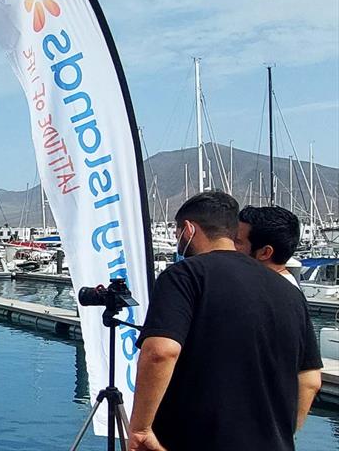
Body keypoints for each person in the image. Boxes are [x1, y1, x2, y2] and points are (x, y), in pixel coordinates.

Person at [128, 192, 322, 451]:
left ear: (188, 229)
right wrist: (281, 434)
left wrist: (141, 429)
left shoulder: (185, 275)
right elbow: (310, 380)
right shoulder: (289, 291)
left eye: (176, 233)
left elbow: (161, 352)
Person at [235, 205, 300, 288]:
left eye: (238, 242)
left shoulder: (270, 294)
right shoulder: (278, 286)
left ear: (265, 253)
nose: (231, 246)